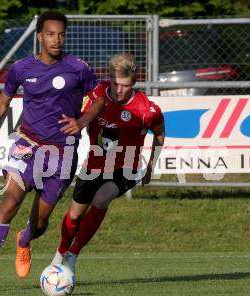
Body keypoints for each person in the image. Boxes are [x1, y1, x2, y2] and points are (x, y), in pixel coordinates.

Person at [0, 10, 105, 293]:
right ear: (40, 36)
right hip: (27, 146)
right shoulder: (21, 69)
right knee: (9, 202)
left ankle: (24, 240)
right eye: (51, 34)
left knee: (39, 223)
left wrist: (82, 121)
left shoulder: (78, 68)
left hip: (62, 155)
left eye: (61, 34)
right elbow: (2, 103)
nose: (57, 39)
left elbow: (100, 98)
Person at [51, 53, 165, 273]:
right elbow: (82, 117)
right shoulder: (98, 94)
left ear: (134, 82)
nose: (118, 89)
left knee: (102, 198)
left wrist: (151, 164)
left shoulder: (146, 110)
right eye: (114, 83)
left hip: (126, 167)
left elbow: (160, 133)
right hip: (94, 164)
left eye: (124, 85)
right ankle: (60, 254)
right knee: (75, 214)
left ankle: (73, 255)